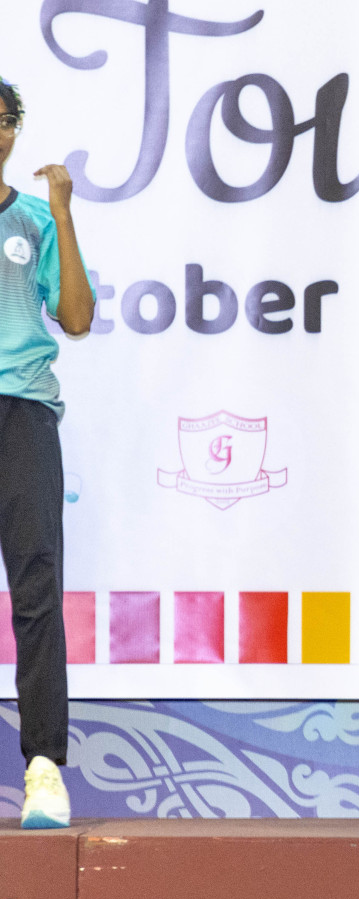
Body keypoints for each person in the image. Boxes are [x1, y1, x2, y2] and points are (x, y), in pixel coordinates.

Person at [0, 76, 93, 829]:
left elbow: (78, 318)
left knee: (36, 587)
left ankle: (43, 770)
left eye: (3, 121)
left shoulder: (35, 217)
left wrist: (63, 216)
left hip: (25, 415)